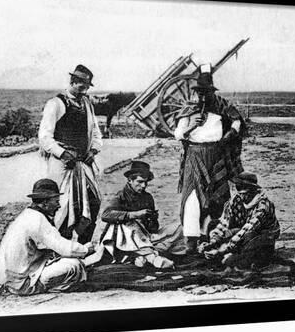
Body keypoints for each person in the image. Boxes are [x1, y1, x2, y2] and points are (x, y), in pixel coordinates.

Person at [174, 63, 248, 253]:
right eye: (200, 92)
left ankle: (211, 237)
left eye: (206, 92)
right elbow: (178, 134)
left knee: (217, 197)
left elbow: (237, 120)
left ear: (212, 91)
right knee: (192, 198)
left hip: (216, 155)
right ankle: (191, 241)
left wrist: (230, 134)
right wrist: (192, 126)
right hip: (195, 156)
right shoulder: (189, 109)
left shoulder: (222, 105)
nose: (203, 96)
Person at [0, 179, 97, 295]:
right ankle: (53, 288)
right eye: (56, 201)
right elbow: (62, 246)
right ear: (45, 203)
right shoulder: (37, 220)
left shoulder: (26, 216)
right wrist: (86, 249)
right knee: (74, 265)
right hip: (23, 283)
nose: (59, 206)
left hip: (14, 279)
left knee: (66, 261)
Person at [38, 64, 102, 244]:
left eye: (88, 85)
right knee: (63, 207)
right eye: (82, 84)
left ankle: (83, 247)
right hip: (63, 166)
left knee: (93, 202)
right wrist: (63, 153)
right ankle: (60, 249)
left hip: (83, 163)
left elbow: (96, 133)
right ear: (73, 81)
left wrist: (94, 150)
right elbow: (44, 136)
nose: (85, 89)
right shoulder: (56, 103)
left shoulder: (87, 104)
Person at [100, 161, 186, 268]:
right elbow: (105, 215)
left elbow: (154, 228)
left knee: (179, 227)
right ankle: (149, 256)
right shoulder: (120, 196)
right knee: (129, 223)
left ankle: (143, 255)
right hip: (126, 239)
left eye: (145, 182)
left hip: (145, 237)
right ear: (130, 180)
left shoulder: (148, 197)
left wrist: (152, 220)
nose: (143, 186)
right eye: (139, 182)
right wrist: (136, 215)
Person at [198, 172, 280, 269]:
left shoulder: (263, 206)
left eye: (242, 188)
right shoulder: (235, 201)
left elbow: (247, 229)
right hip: (240, 235)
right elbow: (224, 223)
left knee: (232, 261)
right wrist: (212, 242)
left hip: (261, 237)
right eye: (238, 188)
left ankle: (243, 257)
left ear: (252, 190)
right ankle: (222, 253)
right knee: (213, 224)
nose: (240, 193)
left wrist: (223, 250)